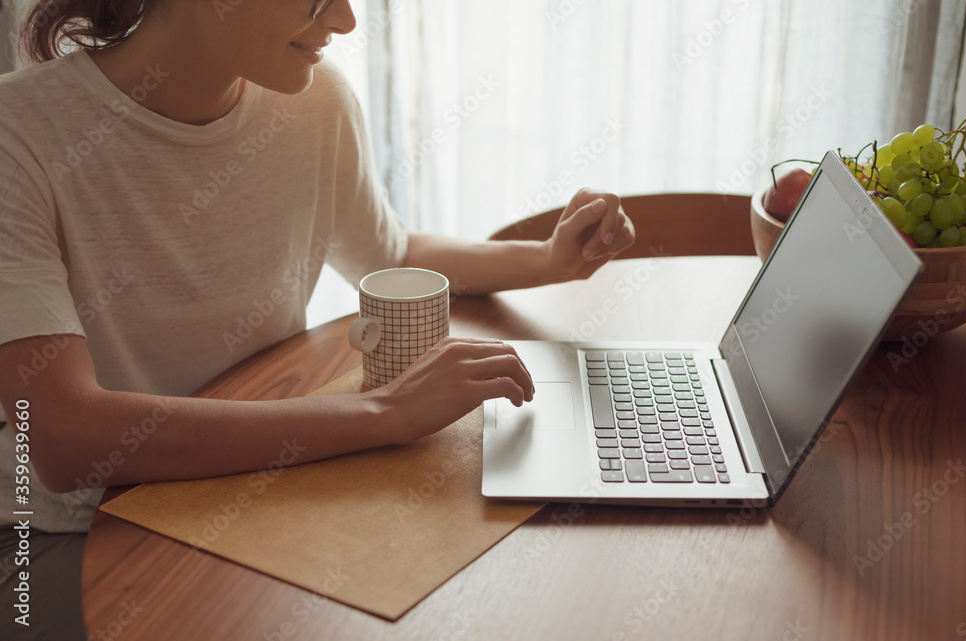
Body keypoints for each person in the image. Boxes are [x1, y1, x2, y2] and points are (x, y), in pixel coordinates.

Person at [0, 0, 635, 637]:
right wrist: (385, 412)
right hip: (58, 535)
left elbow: (391, 255)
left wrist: (552, 260)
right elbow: (62, 438)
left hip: (249, 487)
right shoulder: (18, 131)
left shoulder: (312, 98)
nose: (346, 20)